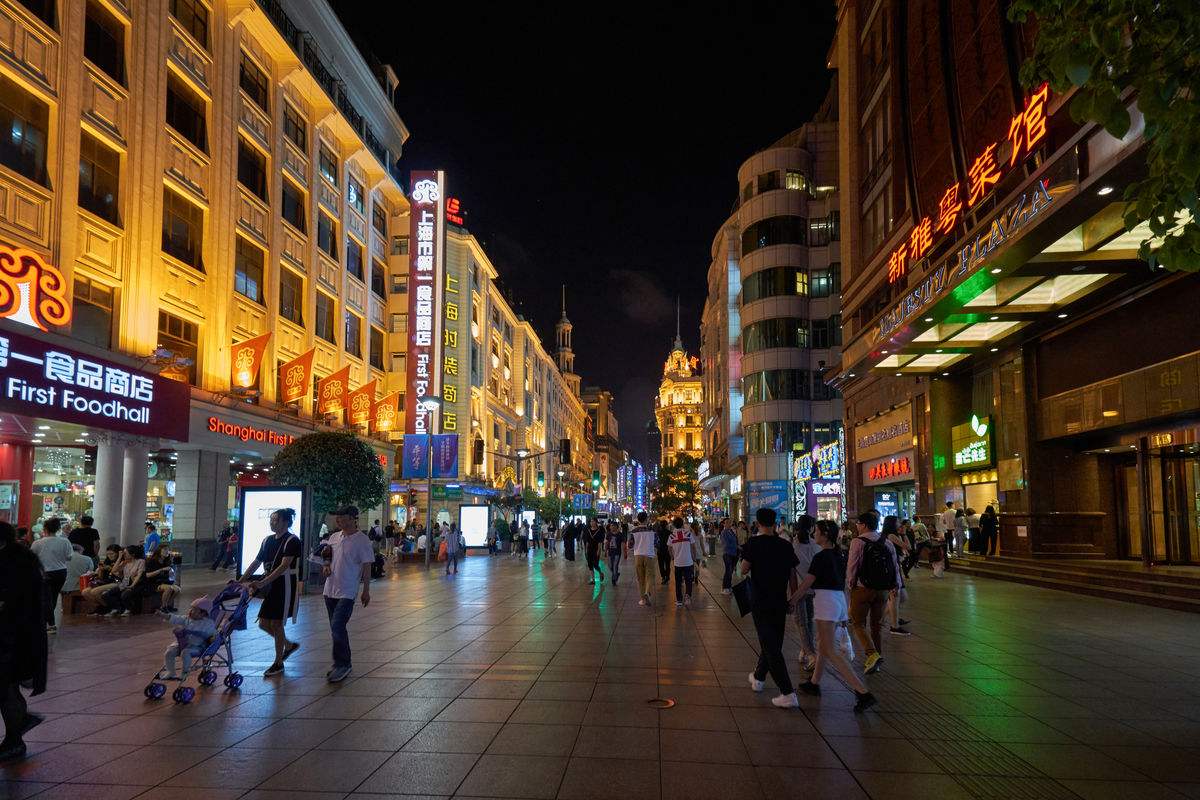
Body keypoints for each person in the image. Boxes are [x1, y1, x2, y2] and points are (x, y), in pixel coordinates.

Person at [793, 520, 877, 712]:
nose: (814, 534)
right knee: (823, 645)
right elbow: (845, 582)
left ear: (824, 535)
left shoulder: (821, 557)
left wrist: (792, 599)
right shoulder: (840, 555)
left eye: (817, 531)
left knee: (830, 649)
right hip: (837, 600)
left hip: (825, 602)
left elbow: (807, 582)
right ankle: (814, 683)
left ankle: (863, 692)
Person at [740, 508, 800, 708]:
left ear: (758, 523)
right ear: (775, 523)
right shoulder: (785, 545)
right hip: (780, 601)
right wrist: (793, 599)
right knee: (773, 641)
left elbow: (743, 569)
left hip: (760, 601)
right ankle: (758, 678)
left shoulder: (753, 543)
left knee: (770, 645)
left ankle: (787, 692)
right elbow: (792, 574)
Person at [0, 520, 47, 761]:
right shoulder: (22, 559)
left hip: (12, 637)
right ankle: (18, 729)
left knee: (6, 686)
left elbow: (12, 601)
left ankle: (15, 738)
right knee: (7, 686)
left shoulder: (13, 564)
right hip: (20, 636)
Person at [242, 508, 302, 677]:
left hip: (284, 586)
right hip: (270, 585)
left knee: (276, 623)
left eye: (275, 520)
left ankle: (278, 662)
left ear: (285, 522)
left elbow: (284, 566)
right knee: (263, 623)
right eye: (271, 519)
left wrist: (263, 582)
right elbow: (257, 561)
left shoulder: (292, 541)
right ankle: (288, 645)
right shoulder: (267, 540)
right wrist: (241, 580)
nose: (272, 523)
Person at [320, 506, 373, 683]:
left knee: (337, 625)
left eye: (342, 517)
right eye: (338, 517)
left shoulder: (362, 540)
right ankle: (341, 663)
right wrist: (326, 566)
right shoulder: (334, 537)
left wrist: (366, 590)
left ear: (352, 518)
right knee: (336, 628)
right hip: (329, 590)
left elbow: (367, 566)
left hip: (347, 591)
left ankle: (343, 664)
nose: (338, 520)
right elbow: (327, 556)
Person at [846, 512, 902, 676]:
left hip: (862, 588)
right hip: (882, 590)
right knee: (876, 626)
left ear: (863, 525)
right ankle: (876, 661)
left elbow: (852, 566)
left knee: (858, 623)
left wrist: (850, 584)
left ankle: (872, 655)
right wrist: (896, 584)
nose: (857, 526)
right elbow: (895, 565)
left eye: (858, 523)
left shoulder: (858, 542)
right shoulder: (887, 542)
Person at [158, 596, 218, 680]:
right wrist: (162, 615)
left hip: (197, 646)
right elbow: (175, 618)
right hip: (182, 643)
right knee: (169, 652)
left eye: (194, 610)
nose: (190, 611)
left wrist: (191, 632)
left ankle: (185, 672)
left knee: (185, 653)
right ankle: (170, 671)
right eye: (191, 609)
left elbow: (210, 634)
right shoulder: (187, 619)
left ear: (203, 613)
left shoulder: (208, 623)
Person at [30, 518, 72, 633]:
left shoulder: (37, 543)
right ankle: (47, 622)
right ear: (58, 529)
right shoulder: (65, 541)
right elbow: (69, 557)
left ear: (44, 529)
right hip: (61, 572)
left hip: (44, 573)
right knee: (52, 597)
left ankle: (50, 624)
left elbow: (32, 558)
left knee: (46, 598)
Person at [791, 515, 820, 672]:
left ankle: (810, 654)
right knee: (808, 621)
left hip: (798, 588)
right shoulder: (816, 546)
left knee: (801, 622)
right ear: (812, 528)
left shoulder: (793, 545)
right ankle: (806, 650)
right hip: (812, 588)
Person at [97, 545, 148, 617]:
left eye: (125, 553)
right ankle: (116, 608)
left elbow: (139, 575)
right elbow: (114, 570)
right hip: (125, 583)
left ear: (132, 554)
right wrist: (119, 557)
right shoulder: (125, 562)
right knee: (106, 595)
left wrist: (132, 586)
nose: (124, 554)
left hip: (137, 584)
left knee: (125, 594)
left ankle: (128, 609)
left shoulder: (141, 561)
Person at [881, 516, 911, 636]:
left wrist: (903, 534)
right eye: (898, 522)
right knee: (896, 597)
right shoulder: (891, 536)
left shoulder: (892, 535)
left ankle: (884, 618)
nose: (900, 524)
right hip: (893, 568)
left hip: (895, 567)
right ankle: (894, 625)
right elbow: (907, 547)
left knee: (901, 597)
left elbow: (908, 548)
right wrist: (904, 534)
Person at [666, 516, 703, 607]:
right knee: (688, 580)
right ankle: (687, 597)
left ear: (674, 525)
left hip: (677, 562)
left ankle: (679, 600)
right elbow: (693, 547)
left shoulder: (672, 536)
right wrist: (694, 558)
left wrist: (672, 557)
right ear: (682, 524)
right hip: (688, 561)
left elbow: (669, 548)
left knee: (678, 582)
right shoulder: (688, 534)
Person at [626, 512, 657, 606]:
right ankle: (647, 592)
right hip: (649, 555)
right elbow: (657, 542)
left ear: (638, 520)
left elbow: (630, 545)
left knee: (640, 578)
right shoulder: (652, 530)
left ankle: (643, 599)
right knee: (650, 576)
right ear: (646, 519)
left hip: (638, 555)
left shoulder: (634, 531)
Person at [582, 518, 605, 584]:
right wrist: (586, 550)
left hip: (596, 549)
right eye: (591, 521)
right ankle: (593, 579)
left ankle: (600, 573)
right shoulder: (588, 531)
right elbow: (587, 541)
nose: (591, 523)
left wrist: (599, 550)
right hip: (589, 549)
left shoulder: (599, 531)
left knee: (595, 564)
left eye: (593, 521)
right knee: (590, 564)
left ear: (596, 522)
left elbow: (600, 542)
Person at [719, 518, 738, 594]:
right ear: (724, 524)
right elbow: (726, 543)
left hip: (734, 553)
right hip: (727, 553)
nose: (729, 524)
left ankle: (729, 586)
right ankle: (725, 587)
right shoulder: (724, 532)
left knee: (731, 571)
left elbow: (735, 541)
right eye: (727, 522)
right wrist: (736, 546)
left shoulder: (731, 531)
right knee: (728, 570)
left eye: (730, 522)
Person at [604, 521, 625, 586]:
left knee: (615, 566)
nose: (612, 527)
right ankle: (616, 574)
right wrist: (605, 551)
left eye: (613, 526)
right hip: (610, 552)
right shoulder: (608, 534)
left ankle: (613, 579)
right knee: (610, 566)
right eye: (611, 526)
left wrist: (624, 552)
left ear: (616, 527)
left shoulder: (620, 534)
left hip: (617, 553)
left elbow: (623, 543)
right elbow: (607, 543)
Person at [654, 518, 672, 584]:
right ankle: (667, 576)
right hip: (667, 551)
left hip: (660, 551)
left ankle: (663, 577)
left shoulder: (657, 533)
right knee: (667, 564)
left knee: (661, 565)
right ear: (666, 525)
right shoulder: (670, 533)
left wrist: (657, 547)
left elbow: (655, 542)